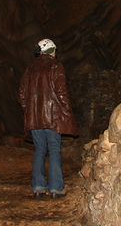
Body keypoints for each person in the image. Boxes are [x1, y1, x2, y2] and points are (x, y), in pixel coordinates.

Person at [18, 38, 77, 199]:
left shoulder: (30, 68)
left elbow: (22, 95)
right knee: (54, 149)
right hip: (53, 117)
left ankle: (38, 186)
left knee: (39, 150)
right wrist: (66, 111)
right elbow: (61, 91)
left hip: (35, 119)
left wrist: (30, 111)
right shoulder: (56, 66)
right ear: (52, 51)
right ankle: (56, 188)